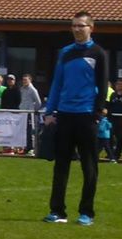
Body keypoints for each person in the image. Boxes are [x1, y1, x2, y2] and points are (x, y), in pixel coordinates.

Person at [42, 14, 111, 224]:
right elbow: (57, 83)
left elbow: (103, 84)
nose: (77, 29)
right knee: (61, 166)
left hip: (87, 116)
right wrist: (49, 112)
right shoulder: (65, 52)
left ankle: (86, 213)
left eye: (81, 26)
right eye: (73, 26)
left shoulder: (98, 53)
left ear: (91, 28)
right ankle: (57, 211)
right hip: (64, 115)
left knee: (89, 166)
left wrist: (97, 113)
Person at [19, 73, 42, 157]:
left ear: (30, 80)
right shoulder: (22, 89)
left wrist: (33, 110)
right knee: (24, 131)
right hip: (23, 112)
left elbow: (38, 102)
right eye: (23, 80)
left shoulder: (33, 90)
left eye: (26, 80)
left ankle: (31, 149)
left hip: (29, 113)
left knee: (30, 131)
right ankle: (26, 147)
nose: (24, 81)